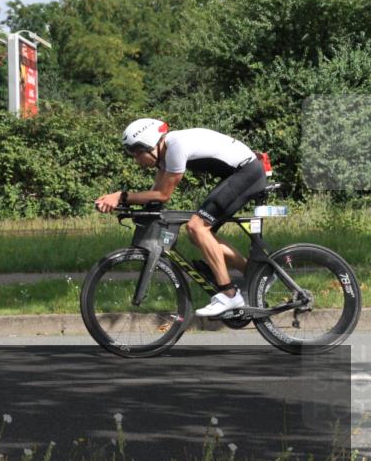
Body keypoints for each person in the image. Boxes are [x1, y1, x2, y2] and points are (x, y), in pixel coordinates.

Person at [95, 118, 268, 317]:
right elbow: (155, 196)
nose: (136, 160)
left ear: (152, 145)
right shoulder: (164, 155)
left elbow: (163, 195)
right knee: (199, 235)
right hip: (239, 174)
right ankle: (255, 275)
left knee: (197, 227)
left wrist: (122, 196)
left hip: (247, 173)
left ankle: (229, 294)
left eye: (137, 153)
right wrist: (127, 206)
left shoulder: (175, 147)